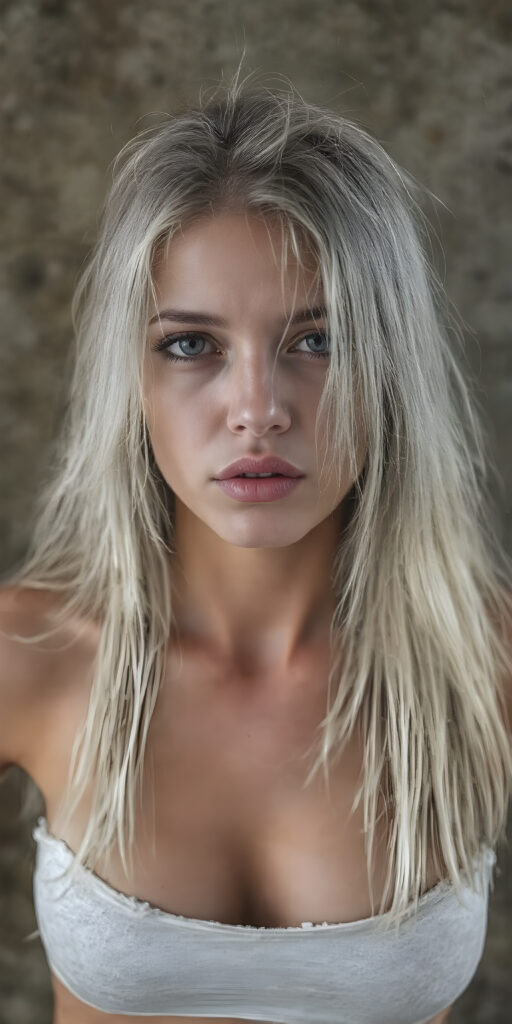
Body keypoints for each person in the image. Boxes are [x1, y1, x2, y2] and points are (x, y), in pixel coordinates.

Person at [1, 62, 511, 1024]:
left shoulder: (484, 667)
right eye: (192, 344)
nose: (259, 412)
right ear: (133, 377)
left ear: (389, 365)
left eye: (317, 341)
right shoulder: (32, 659)